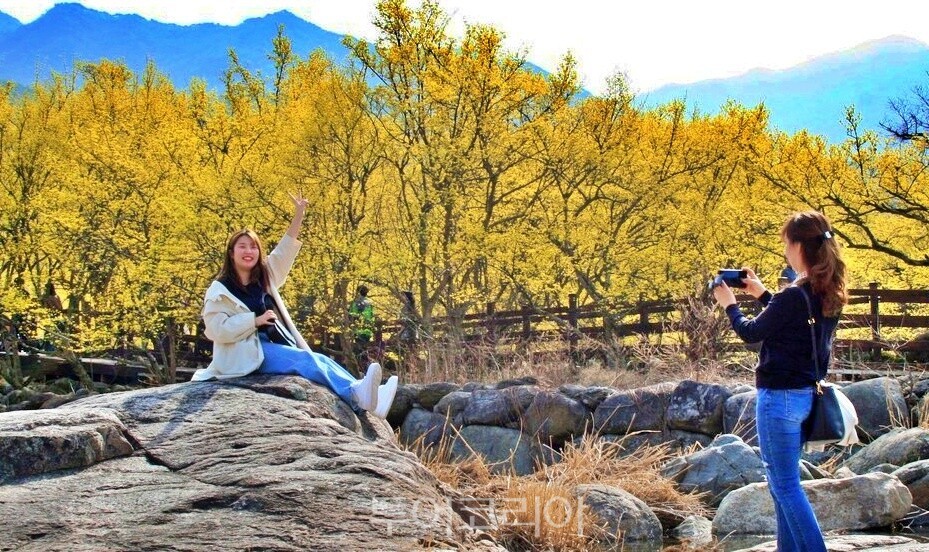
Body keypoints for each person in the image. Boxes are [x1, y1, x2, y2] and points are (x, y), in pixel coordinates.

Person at [193, 192, 398, 418]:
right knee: (304, 361)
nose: (249, 252)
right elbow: (216, 330)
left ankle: (369, 397)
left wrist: (299, 215)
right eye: (242, 246)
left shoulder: (264, 278)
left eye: (253, 247)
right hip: (244, 353)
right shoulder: (219, 290)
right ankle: (356, 394)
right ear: (231, 253)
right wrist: (254, 321)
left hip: (267, 346)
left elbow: (284, 252)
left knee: (320, 359)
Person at [712, 210, 847, 552]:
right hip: (806, 398)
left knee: (785, 486)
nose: (785, 249)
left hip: (779, 399)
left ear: (801, 246)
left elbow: (752, 332)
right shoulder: (826, 291)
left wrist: (730, 305)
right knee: (782, 485)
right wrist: (760, 293)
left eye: (788, 243)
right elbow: (793, 318)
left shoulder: (794, 296)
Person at [348, 284, 376, 367]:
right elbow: (372, 316)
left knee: (359, 349)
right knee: (364, 348)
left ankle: (361, 366)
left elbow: (352, 315)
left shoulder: (355, 302)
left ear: (358, 292)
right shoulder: (370, 303)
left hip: (358, 330)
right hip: (368, 330)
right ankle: (366, 366)